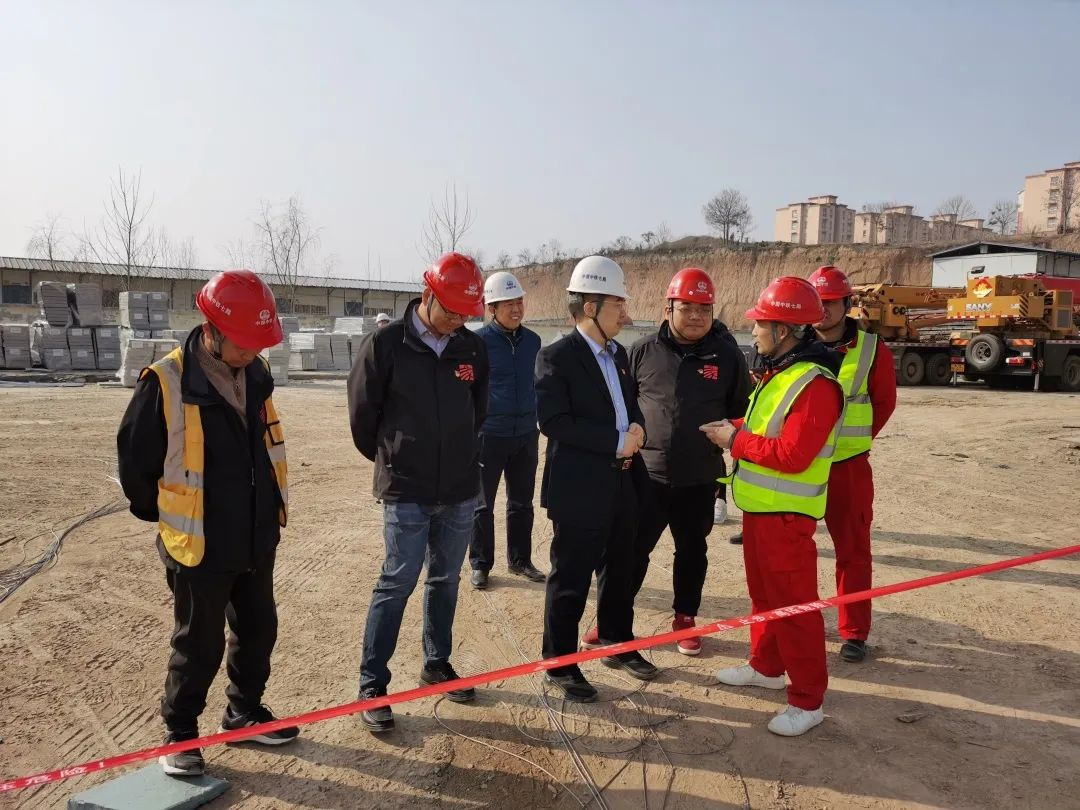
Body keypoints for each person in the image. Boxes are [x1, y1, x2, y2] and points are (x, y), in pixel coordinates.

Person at [117, 269, 298, 778]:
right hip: (199, 541)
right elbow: (136, 464)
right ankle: (180, 732)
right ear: (211, 330)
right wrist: (167, 517)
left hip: (255, 533)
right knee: (198, 643)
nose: (251, 353)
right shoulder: (167, 381)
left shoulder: (256, 376)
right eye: (243, 343)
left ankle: (243, 712)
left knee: (258, 630)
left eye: (259, 344)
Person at [347, 252, 489, 733]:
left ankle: (436, 663)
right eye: (451, 311)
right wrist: (396, 457)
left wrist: (457, 454)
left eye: (466, 314)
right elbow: (363, 418)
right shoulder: (386, 344)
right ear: (427, 295)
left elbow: (478, 412)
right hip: (406, 488)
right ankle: (372, 684)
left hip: (460, 489)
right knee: (397, 581)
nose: (457, 321)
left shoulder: (472, 349)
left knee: (445, 580)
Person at [580, 267, 748, 656]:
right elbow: (621, 405)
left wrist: (731, 433)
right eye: (687, 308)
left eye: (704, 310)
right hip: (646, 475)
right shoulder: (641, 351)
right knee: (631, 550)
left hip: (700, 476)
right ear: (668, 307)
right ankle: (612, 618)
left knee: (692, 551)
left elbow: (741, 411)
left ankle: (685, 619)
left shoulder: (727, 356)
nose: (696, 317)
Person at [702, 276, 843, 737]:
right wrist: (733, 425)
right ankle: (766, 667)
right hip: (762, 512)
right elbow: (766, 428)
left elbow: (793, 455)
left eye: (760, 324)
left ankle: (807, 700)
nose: (753, 331)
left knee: (795, 609)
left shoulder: (815, 385)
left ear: (783, 330)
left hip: (787, 517)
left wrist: (734, 440)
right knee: (764, 597)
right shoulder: (780, 375)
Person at [536, 255, 657, 702]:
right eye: (618, 305)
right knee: (570, 577)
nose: (625, 315)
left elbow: (628, 403)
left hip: (623, 482)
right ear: (590, 307)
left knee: (621, 567)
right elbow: (554, 422)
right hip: (580, 487)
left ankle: (616, 639)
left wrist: (637, 426)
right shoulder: (556, 357)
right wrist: (615, 441)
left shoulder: (618, 355)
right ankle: (559, 662)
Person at [808, 265, 896, 663]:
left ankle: (854, 632)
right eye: (817, 302)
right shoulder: (793, 342)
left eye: (831, 302)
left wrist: (854, 442)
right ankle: (800, 623)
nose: (823, 310)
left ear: (847, 304)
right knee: (795, 551)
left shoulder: (872, 349)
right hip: (801, 465)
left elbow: (883, 403)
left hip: (848, 467)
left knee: (854, 551)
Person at [469, 271, 545, 589]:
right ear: (492, 308)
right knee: (482, 504)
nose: (516, 309)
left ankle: (520, 560)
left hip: (526, 433)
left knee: (522, 503)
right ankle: (481, 564)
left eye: (519, 302)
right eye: (508, 304)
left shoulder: (533, 342)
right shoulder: (477, 343)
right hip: (489, 434)